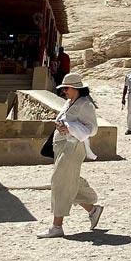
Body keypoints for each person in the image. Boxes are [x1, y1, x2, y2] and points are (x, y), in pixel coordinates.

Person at [38, 73, 103, 238]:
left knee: (60, 181)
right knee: (69, 181)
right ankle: (93, 209)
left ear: (75, 88)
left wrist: (70, 127)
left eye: (66, 88)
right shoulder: (69, 102)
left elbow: (92, 129)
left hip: (73, 147)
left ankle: (56, 226)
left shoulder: (85, 105)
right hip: (61, 146)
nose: (64, 91)